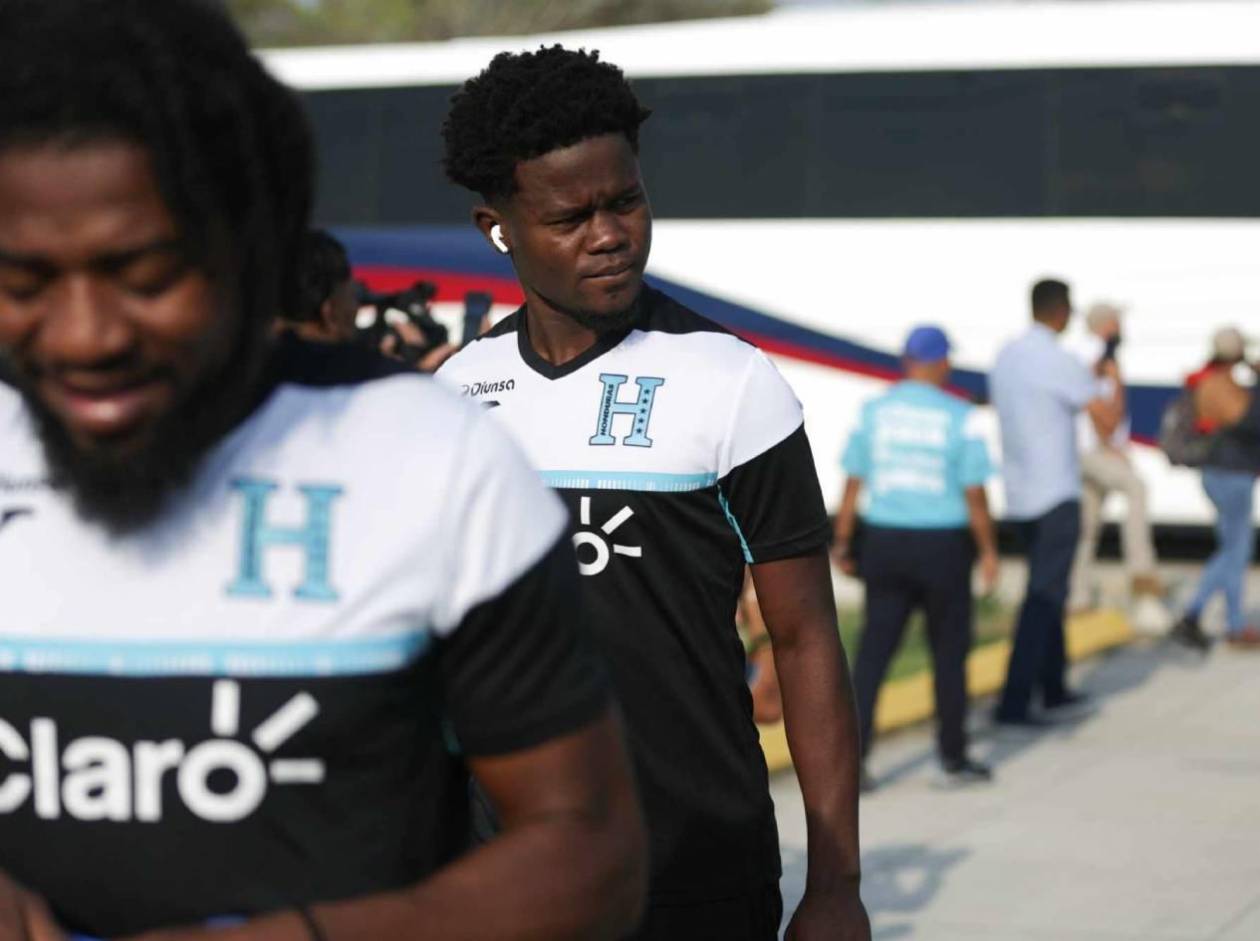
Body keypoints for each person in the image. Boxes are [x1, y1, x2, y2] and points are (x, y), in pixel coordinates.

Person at [0, 4, 646, 939]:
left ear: (247, 245)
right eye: (23, 284)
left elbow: (591, 850)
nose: (85, 336)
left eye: (145, 277)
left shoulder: (428, 457)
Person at [438, 46, 870, 941]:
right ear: (498, 227)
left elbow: (805, 638)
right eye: (570, 217)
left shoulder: (733, 382)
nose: (610, 234)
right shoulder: (456, 394)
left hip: (696, 873)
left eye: (626, 201)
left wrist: (836, 884)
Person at [832, 326, 998, 787]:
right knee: (949, 653)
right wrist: (988, 550)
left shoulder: (875, 412)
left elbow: (853, 482)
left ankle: (853, 762)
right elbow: (974, 493)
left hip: (885, 541)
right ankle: (952, 758)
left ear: (907, 361)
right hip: (943, 545)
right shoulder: (959, 415)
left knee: (873, 653)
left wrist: (842, 540)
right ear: (942, 362)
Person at [989, 279, 1125, 726]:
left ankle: (1054, 688)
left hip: (1018, 494)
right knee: (1044, 598)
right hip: (1056, 493)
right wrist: (1111, 374)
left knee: (1050, 588)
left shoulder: (1007, 355)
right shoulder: (1059, 360)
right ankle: (1014, 702)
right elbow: (1107, 424)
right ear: (1063, 312)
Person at [1066, 303, 1166, 624]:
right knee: (1136, 488)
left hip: (1085, 449)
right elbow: (1096, 404)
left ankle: (1077, 598)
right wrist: (1111, 443)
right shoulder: (1093, 354)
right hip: (1092, 449)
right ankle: (1141, 572)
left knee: (1087, 525)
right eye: (1117, 322)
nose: (1122, 327)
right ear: (1106, 325)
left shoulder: (1092, 353)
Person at [1170, 327, 1260, 650]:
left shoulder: (1216, 381)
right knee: (1236, 551)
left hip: (1227, 474)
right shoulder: (1219, 385)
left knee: (1232, 550)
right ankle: (1216, 620)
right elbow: (1250, 422)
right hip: (1229, 475)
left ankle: (1209, 618)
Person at [281, 229, 360, 344]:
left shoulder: (262, 349)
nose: (356, 309)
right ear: (328, 310)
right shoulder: (354, 356)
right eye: (353, 296)